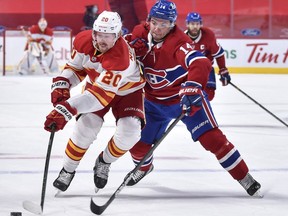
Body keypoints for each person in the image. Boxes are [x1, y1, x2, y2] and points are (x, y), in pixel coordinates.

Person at [123, 0, 261, 197]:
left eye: (164, 24)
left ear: (172, 24)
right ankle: (144, 168)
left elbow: (200, 62)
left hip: (183, 100)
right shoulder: (140, 32)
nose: (158, 28)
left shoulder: (179, 42)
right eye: (155, 22)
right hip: (153, 103)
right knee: (137, 145)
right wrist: (128, 48)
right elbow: (122, 51)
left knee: (213, 140)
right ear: (148, 20)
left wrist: (193, 85)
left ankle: (244, 177)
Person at [44, 11, 145, 192]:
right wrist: (63, 83)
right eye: (98, 34)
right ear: (93, 32)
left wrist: (66, 109)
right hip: (97, 86)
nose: (101, 40)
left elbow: (99, 97)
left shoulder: (120, 58)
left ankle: (104, 161)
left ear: (118, 35)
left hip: (128, 91)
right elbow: (76, 68)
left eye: (107, 36)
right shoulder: (83, 40)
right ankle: (68, 169)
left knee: (130, 132)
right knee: (85, 128)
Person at [184, 12, 231, 101]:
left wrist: (223, 70)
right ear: (187, 24)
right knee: (189, 95)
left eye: (197, 24)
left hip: (207, 69)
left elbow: (219, 54)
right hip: (189, 71)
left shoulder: (208, 35)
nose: (195, 26)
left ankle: (202, 111)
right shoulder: (183, 39)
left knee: (209, 95)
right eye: (192, 24)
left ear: (200, 24)